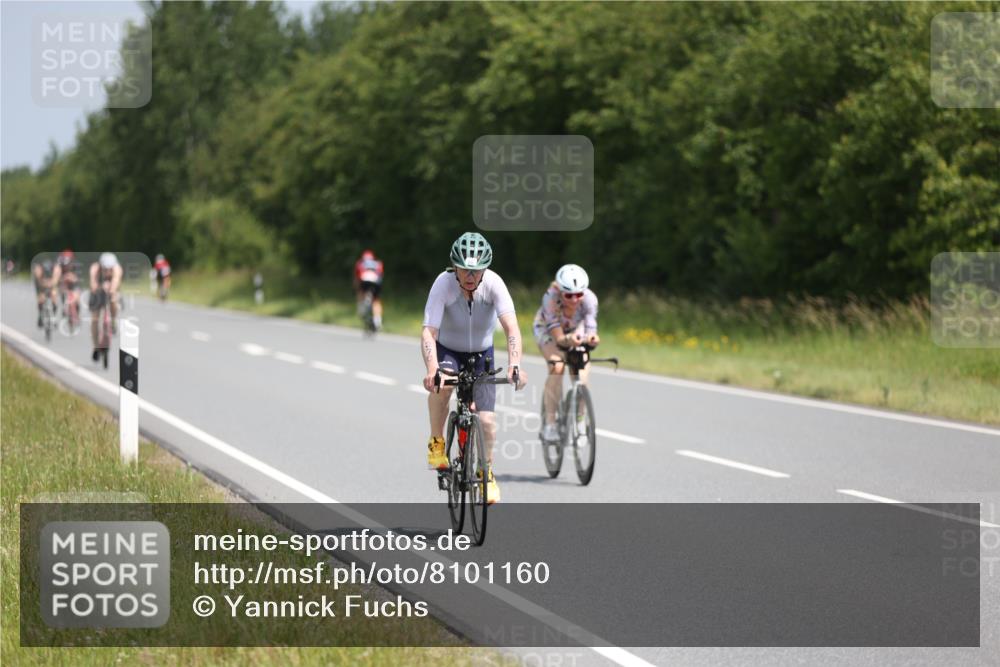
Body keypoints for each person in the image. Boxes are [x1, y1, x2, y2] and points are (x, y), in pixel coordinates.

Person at [421, 232, 527, 504]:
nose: (470, 276)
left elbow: (511, 328)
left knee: (488, 420)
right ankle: (436, 442)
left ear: (485, 269)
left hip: (482, 354)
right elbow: (429, 331)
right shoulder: (443, 284)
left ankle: (486, 472)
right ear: (454, 267)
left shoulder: (494, 284)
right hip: (449, 351)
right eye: (464, 269)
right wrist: (432, 368)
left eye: (476, 270)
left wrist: (515, 363)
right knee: (442, 387)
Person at [533, 264, 600, 442]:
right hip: (548, 330)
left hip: (574, 330)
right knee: (557, 366)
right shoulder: (550, 298)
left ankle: (579, 422)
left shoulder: (590, 299)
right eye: (569, 295)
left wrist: (592, 338)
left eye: (579, 294)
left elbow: (591, 327)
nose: (575, 299)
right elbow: (558, 335)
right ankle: (550, 424)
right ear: (560, 291)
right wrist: (568, 340)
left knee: (582, 376)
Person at [89, 252, 123, 360]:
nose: (108, 272)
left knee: (114, 299)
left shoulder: (117, 269)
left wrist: (111, 289)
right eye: (105, 269)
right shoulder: (95, 268)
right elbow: (93, 285)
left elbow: (116, 281)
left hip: (112, 290)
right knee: (94, 319)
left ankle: (113, 320)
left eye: (110, 269)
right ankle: (96, 346)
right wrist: (100, 287)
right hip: (98, 292)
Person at [353, 249, 384, 330]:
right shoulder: (378, 263)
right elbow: (380, 275)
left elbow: (356, 279)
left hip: (364, 281)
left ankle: (361, 309)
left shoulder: (360, 263)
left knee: (360, 292)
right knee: (376, 300)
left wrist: (356, 289)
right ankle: (378, 321)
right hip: (376, 282)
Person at [33, 256, 62, 327]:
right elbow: (39, 281)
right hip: (41, 283)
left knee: (54, 295)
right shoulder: (38, 268)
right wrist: (43, 284)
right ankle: (40, 314)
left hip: (51, 282)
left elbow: (55, 280)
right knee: (41, 298)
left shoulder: (57, 268)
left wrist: (51, 284)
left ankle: (54, 316)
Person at [57, 249, 81, 324]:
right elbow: (57, 278)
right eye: (64, 265)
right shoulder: (59, 267)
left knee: (76, 298)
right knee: (62, 291)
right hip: (64, 284)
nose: (66, 267)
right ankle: (64, 306)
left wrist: (72, 278)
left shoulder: (76, 266)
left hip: (74, 285)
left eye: (67, 264)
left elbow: (78, 279)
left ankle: (77, 311)